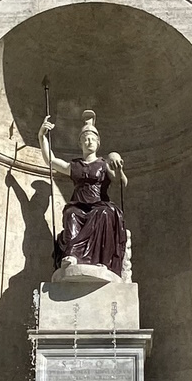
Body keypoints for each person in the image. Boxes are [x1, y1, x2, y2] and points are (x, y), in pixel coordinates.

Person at [38, 109, 129, 282]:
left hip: (99, 205)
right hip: (79, 205)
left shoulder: (104, 164)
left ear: (98, 143)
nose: (89, 142)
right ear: (80, 143)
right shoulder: (75, 166)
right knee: (71, 214)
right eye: (85, 139)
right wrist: (41, 136)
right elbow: (51, 160)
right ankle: (72, 257)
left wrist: (119, 168)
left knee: (105, 213)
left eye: (92, 139)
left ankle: (102, 261)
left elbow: (120, 182)